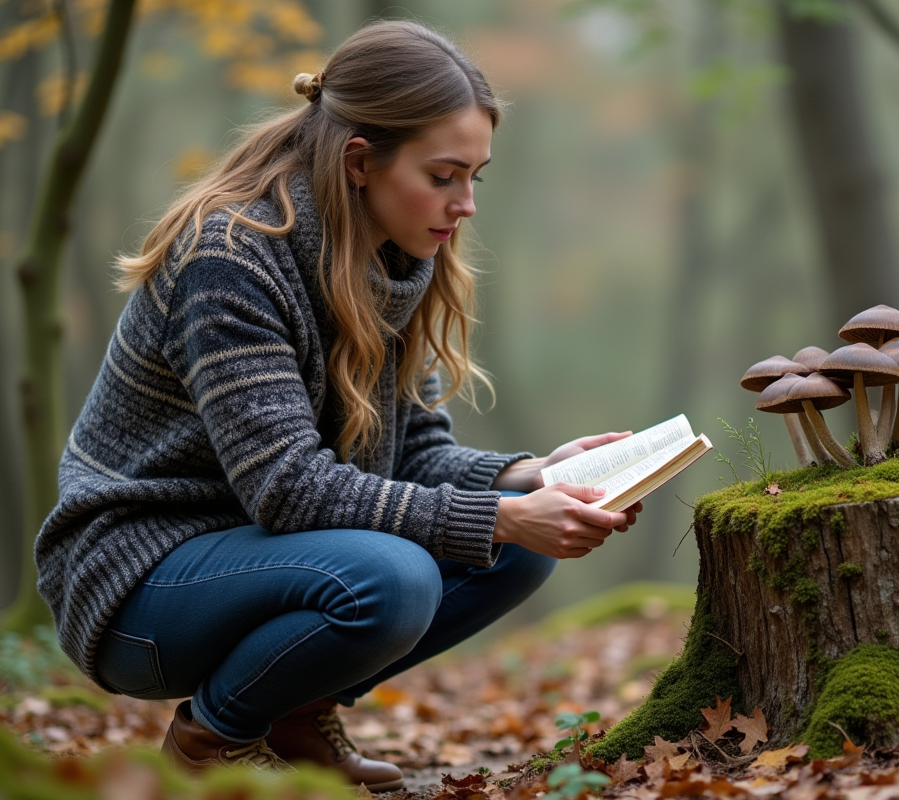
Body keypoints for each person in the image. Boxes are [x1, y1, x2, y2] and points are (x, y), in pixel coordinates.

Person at [34, 20, 641, 792]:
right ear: (361, 161)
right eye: (444, 175)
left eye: (475, 178)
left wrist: (527, 474)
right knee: (397, 578)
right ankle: (208, 740)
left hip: (265, 558)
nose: (465, 205)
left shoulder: (392, 259)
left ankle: (292, 716)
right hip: (140, 587)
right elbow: (288, 488)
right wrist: (497, 513)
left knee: (518, 546)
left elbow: (415, 451)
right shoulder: (231, 257)